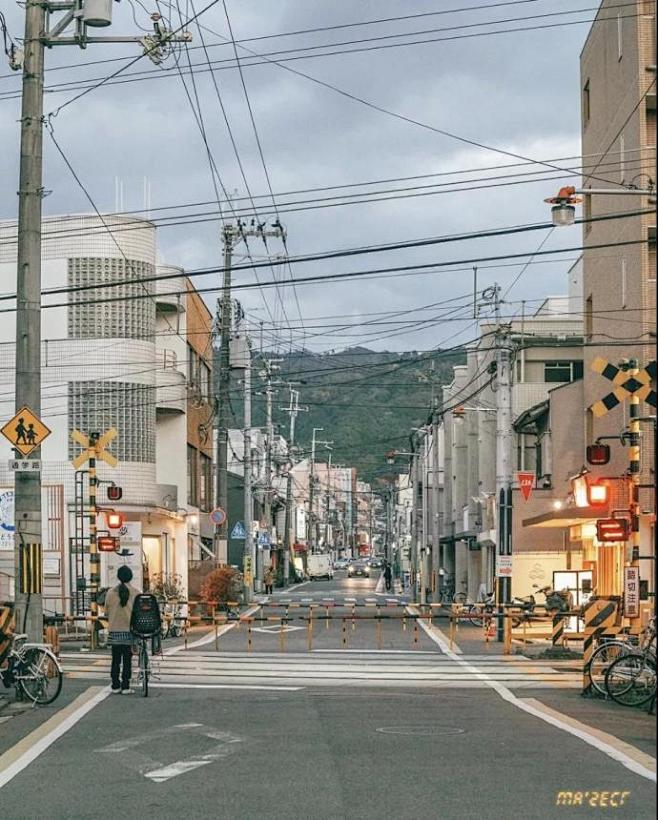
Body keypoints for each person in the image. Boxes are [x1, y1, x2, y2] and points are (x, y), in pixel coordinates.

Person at [104, 566, 139, 694]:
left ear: (118, 577)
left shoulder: (110, 593)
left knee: (115, 660)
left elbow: (106, 611)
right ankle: (125, 686)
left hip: (114, 631)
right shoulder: (136, 592)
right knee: (127, 660)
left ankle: (115, 685)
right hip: (129, 631)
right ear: (130, 577)